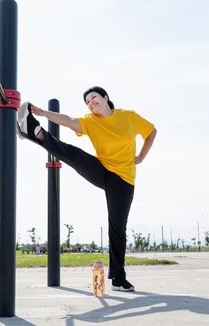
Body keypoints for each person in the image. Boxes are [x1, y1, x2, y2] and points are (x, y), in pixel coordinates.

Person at [18, 86, 157, 292]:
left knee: (117, 228)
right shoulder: (90, 121)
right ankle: (34, 130)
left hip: (123, 179)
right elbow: (69, 121)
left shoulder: (128, 116)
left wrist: (142, 156)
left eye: (94, 98)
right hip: (101, 170)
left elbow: (151, 132)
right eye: (88, 102)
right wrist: (43, 113)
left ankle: (118, 279)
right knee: (72, 153)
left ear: (106, 97)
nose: (91, 103)